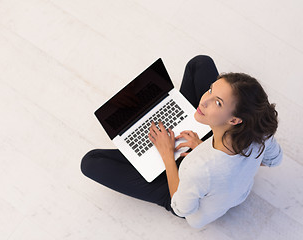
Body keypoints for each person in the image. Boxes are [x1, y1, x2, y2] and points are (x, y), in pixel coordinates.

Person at [81, 55, 283, 228]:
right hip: (213, 174)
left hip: (187, 197)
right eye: (211, 90)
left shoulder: (199, 167)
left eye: (218, 103)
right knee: (200, 63)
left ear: (234, 120)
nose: (205, 100)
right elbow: (274, 160)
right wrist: (220, 159)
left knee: (91, 161)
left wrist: (167, 154)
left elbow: (183, 208)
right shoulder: (259, 131)